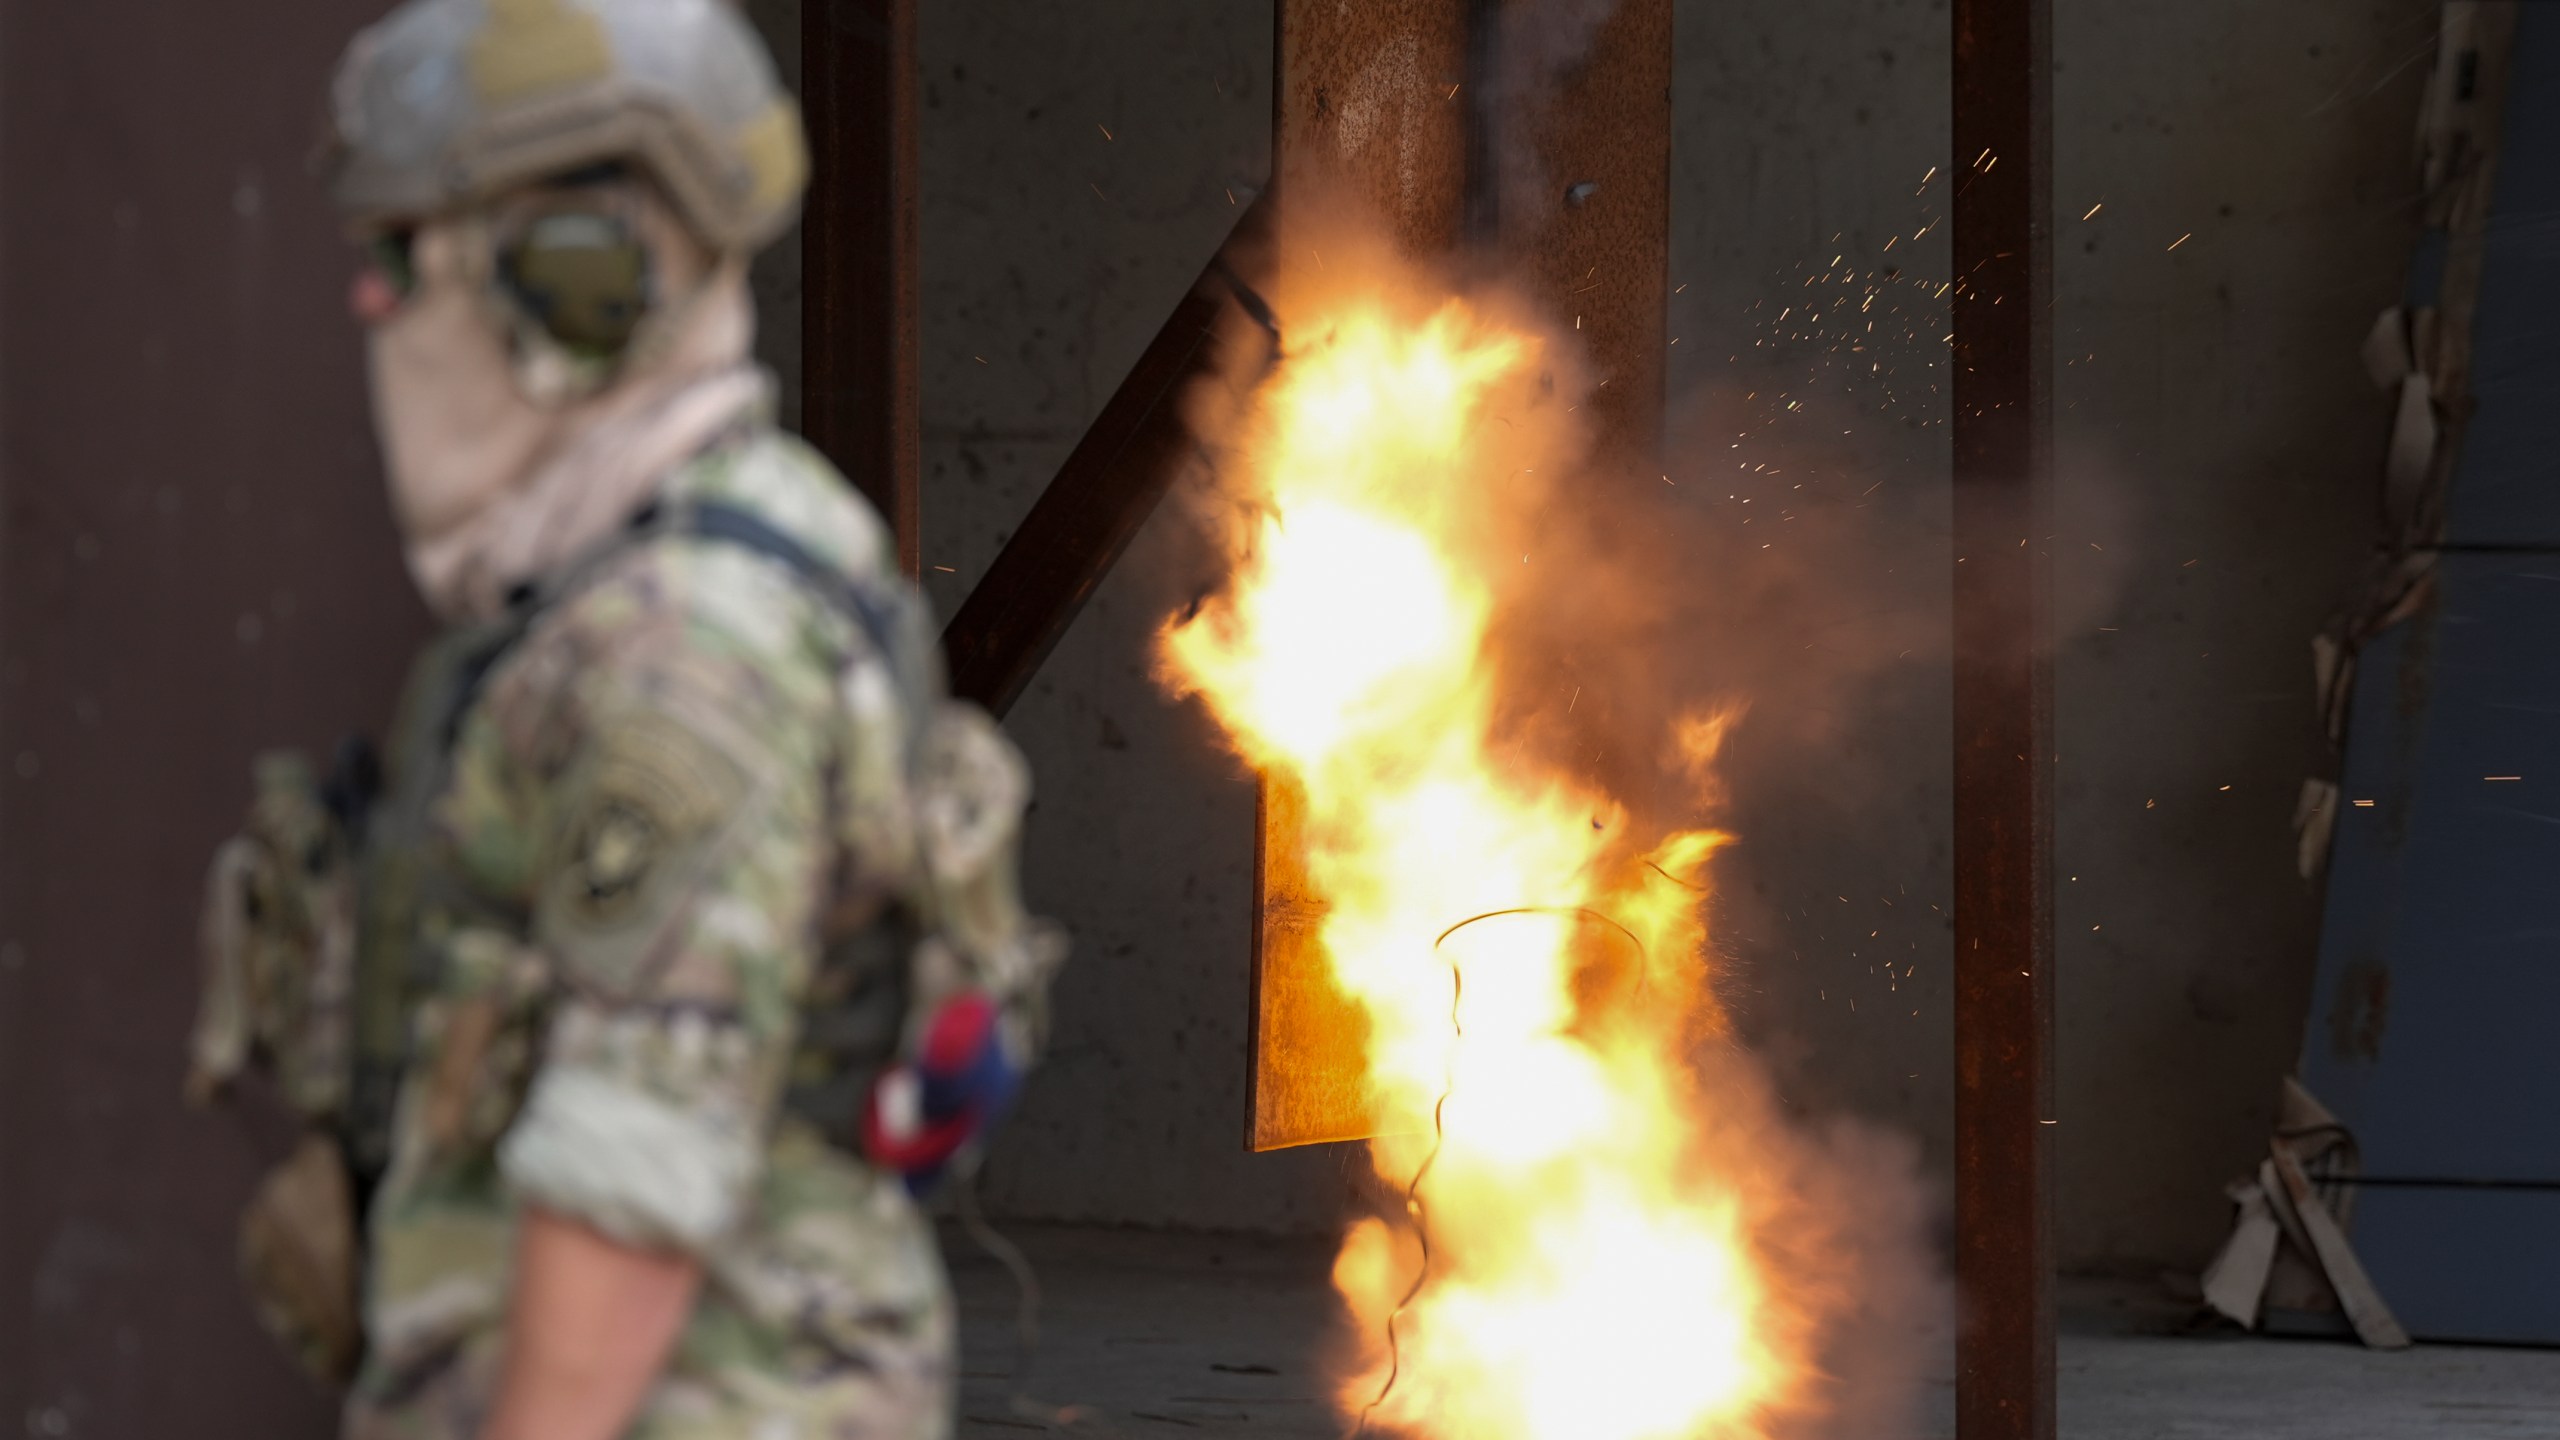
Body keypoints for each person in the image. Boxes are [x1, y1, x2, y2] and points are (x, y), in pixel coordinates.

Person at [183, 2, 1065, 1437]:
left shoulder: (684, 651)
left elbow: (629, 1195)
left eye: (413, 256)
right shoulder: (649, 587)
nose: (373, 306)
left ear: (572, 287)